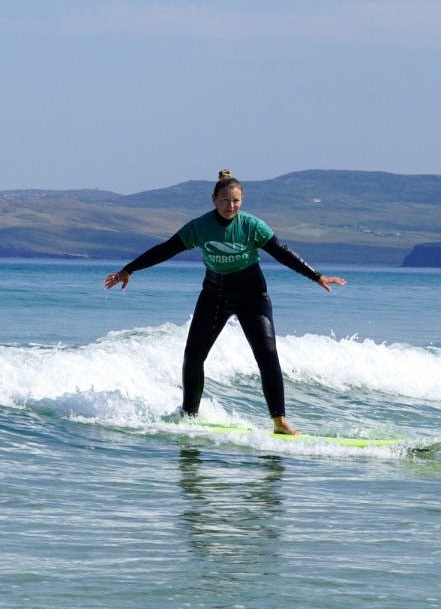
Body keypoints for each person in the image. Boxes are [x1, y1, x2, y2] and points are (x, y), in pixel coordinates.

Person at [104, 169, 346, 435]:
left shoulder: (252, 225)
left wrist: (316, 276)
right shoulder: (199, 227)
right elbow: (166, 249)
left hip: (252, 297)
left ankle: (280, 421)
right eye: (225, 201)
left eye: (236, 201)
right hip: (214, 295)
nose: (231, 206)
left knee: (267, 354)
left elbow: (282, 252)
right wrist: (129, 269)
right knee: (194, 356)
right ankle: (189, 416)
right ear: (214, 200)